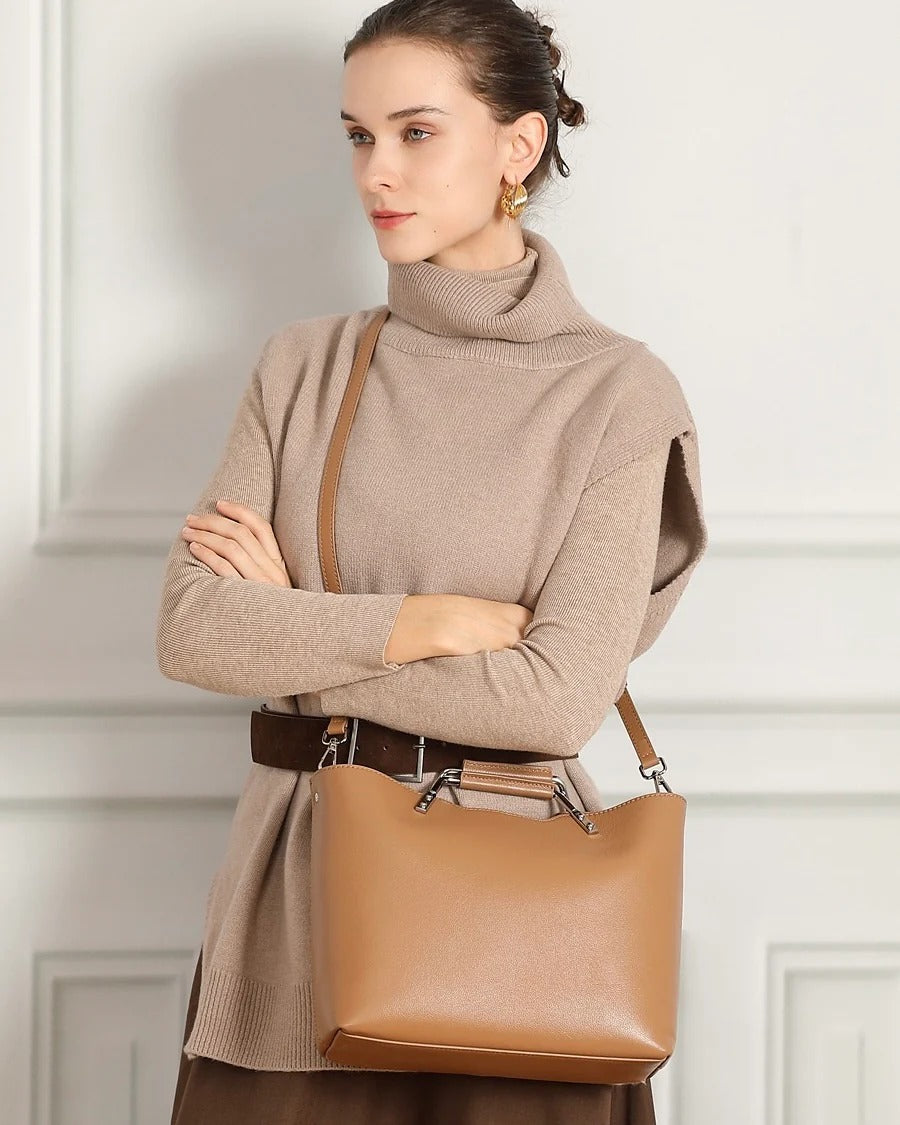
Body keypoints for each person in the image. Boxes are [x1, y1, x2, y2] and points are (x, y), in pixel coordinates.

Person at [159, 1, 709, 1121]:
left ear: (518, 145)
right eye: (359, 136)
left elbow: (556, 700)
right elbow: (192, 630)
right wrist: (418, 622)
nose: (377, 171)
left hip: (516, 930)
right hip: (291, 913)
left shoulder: (617, 393)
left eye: (416, 132)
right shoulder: (303, 367)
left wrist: (292, 623)